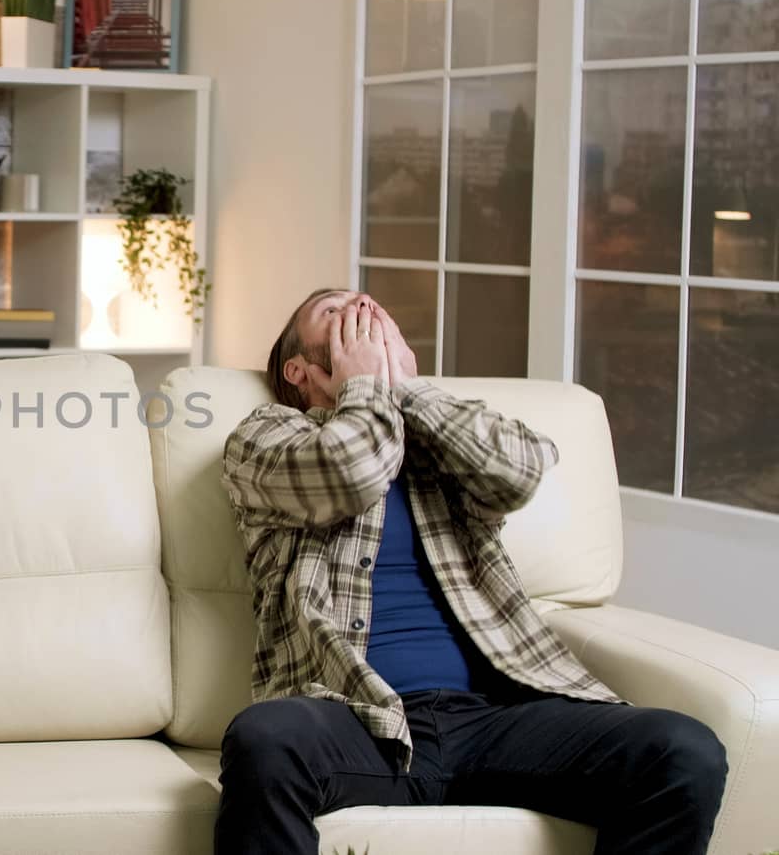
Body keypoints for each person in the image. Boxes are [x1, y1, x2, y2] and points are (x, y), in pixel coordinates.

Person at [214, 288, 728, 855]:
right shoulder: (266, 436)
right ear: (299, 369)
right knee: (265, 739)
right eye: (335, 313)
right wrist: (364, 386)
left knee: (684, 750)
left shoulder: (438, 441)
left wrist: (405, 389)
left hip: (491, 719)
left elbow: (522, 468)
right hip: (355, 720)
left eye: (369, 306)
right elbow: (347, 473)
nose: (361, 310)